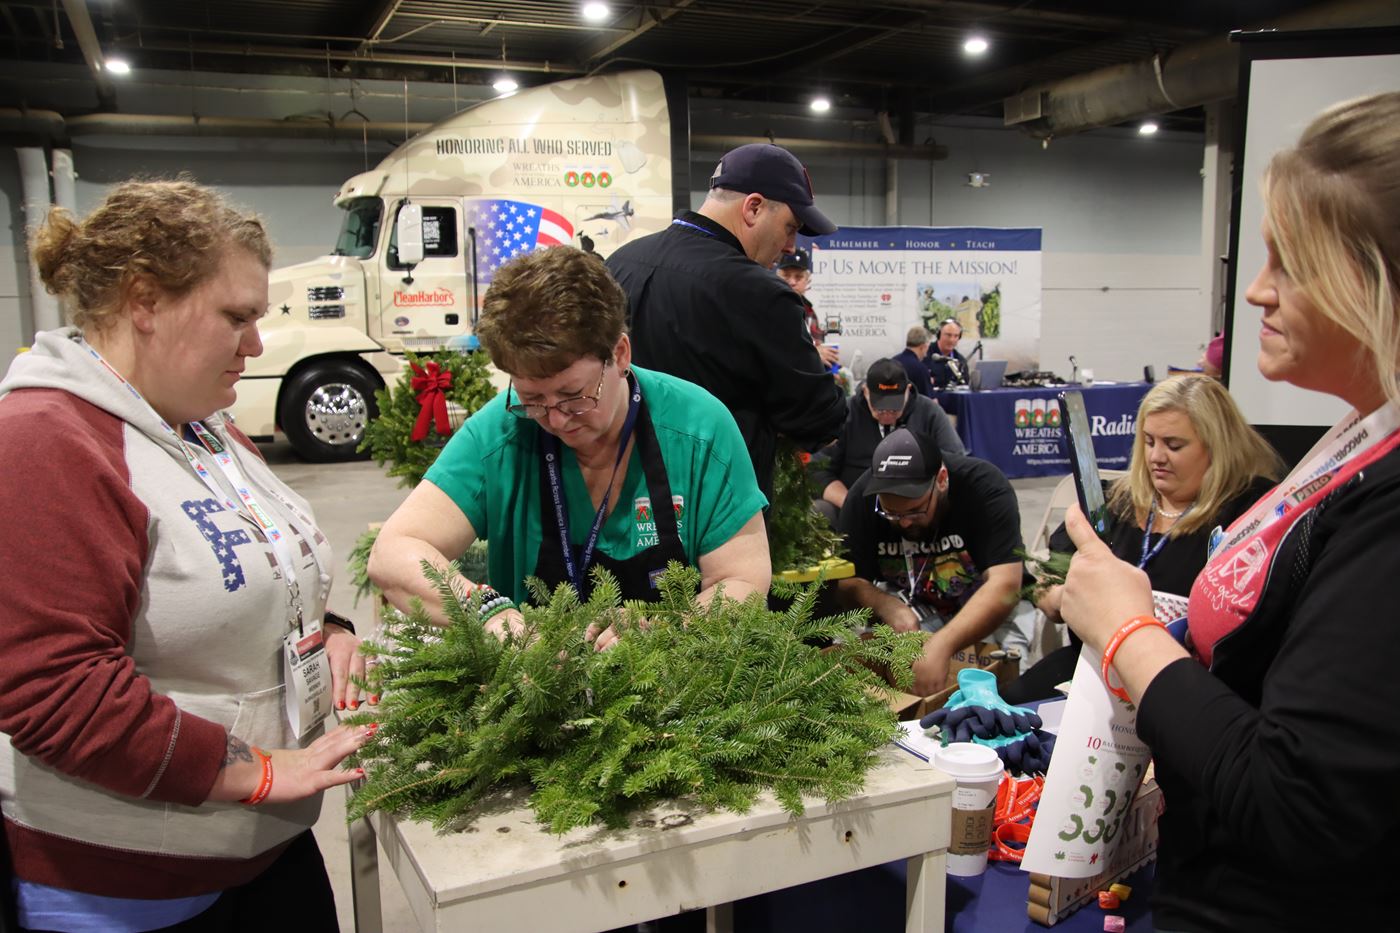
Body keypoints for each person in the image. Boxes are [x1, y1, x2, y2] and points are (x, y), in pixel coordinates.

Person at [1058, 92, 1400, 931]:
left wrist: (1129, 635)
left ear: (1375, 280)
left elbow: (1297, 801)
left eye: (1289, 263)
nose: (1256, 291)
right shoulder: (1361, 436)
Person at [0, 180, 373, 932]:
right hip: (132, 886)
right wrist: (256, 769)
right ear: (145, 301)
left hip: (259, 846)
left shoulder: (200, 424)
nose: (257, 344)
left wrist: (327, 630)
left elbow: (251, 558)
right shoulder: (45, 440)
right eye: (236, 316)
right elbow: (53, 689)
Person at [369, 246, 771, 648]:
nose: (556, 419)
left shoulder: (698, 428)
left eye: (573, 395)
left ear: (619, 354)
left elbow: (741, 580)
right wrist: (489, 612)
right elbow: (393, 553)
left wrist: (668, 633)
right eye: (533, 399)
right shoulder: (501, 433)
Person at [1002, 374, 1280, 703]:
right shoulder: (1111, 502)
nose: (1156, 457)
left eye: (1174, 445)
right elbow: (1045, 580)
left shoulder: (1250, 511)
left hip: (1187, 692)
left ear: (1217, 446)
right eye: (1149, 442)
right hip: (1088, 672)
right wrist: (1063, 598)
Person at [606, 143, 847, 502]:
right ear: (753, 207)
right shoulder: (760, 293)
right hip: (716, 513)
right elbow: (818, 421)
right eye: (790, 227)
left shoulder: (619, 263)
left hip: (618, 501)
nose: (789, 245)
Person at [835, 428, 1026, 696]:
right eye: (890, 513)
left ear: (942, 480)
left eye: (915, 510)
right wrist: (884, 604)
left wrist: (942, 645)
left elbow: (1006, 585)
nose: (903, 521)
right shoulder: (861, 499)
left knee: (1010, 684)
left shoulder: (984, 486)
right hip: (909, 605)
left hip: (980, 607)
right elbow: (847, 580)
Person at [810, 358, 964, 526]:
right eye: (879, 408)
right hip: (855, 504)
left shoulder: (929, 413)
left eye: (894, 408)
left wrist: (920, 505)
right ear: (866, 391)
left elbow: (955, 463)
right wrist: (851, 504)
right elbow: (818, 470)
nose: (887, 414)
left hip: (917, 507)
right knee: (819, 511)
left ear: (908, 390)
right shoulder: (845, 415)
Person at [776, 248, 840, 370]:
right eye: (786, 276)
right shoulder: (770, 308)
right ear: (777, 277)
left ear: (807, 280)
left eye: (798, 277)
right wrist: (813, 354)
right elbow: (774, 351)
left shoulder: (809, 311)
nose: (792, 282)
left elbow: (819, 345)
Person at [893, 325, 936, 397]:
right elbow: (930, 402)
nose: (926, 354)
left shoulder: (892, 362)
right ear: (923, 347)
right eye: (928, 347)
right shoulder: (920, 369)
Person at [926, 318, 968, 388]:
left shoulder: (960, 360)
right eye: (948, 335)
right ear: (939, 335)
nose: (952, 340)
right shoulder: (926, 354)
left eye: (956, 336)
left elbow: (965, 385)